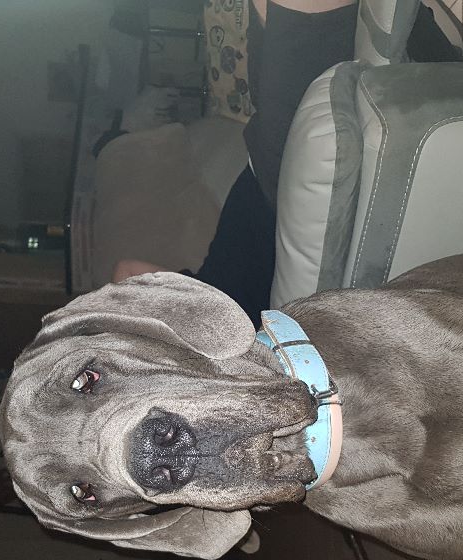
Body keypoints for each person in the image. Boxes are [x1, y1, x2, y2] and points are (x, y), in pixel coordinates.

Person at [112, 0, 362, 327]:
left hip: (260, 172)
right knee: (299, 35)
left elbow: (126, 271)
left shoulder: (193, 308)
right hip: (281, 192)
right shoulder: (227, 335)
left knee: (267, 24)